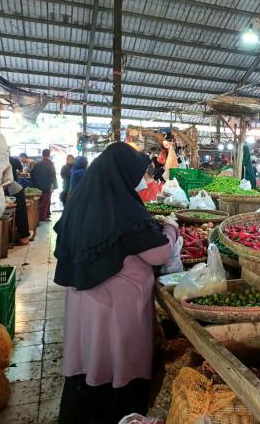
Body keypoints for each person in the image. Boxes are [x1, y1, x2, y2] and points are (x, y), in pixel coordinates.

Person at [54, 142, 179, 423]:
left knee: (89, 364)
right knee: (117, 366)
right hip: (116, 309)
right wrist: (171, 226)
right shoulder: (124, 210)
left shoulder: (80, 202)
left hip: (85, 304)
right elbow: (160, 252)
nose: (138, 182)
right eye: (135, 175)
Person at [7, 156, 30, 244]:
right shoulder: (14, 160)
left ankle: (24, 237)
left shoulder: (2, 159)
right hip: (14, 185)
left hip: (13, 187)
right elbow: (20, 171)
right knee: (20, 212)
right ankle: (23, 236)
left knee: (20, 211)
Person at [30, 149, 58, 221]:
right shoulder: (50, 163)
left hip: (37, 185)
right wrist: (53, 186)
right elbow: (52, 175)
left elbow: (31, 174)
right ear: (49, 154)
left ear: (42, 154)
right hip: (47, 186)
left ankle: (46, 213)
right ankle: (42, 217)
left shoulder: (37, 163)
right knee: (46, 201)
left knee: (40, 201)